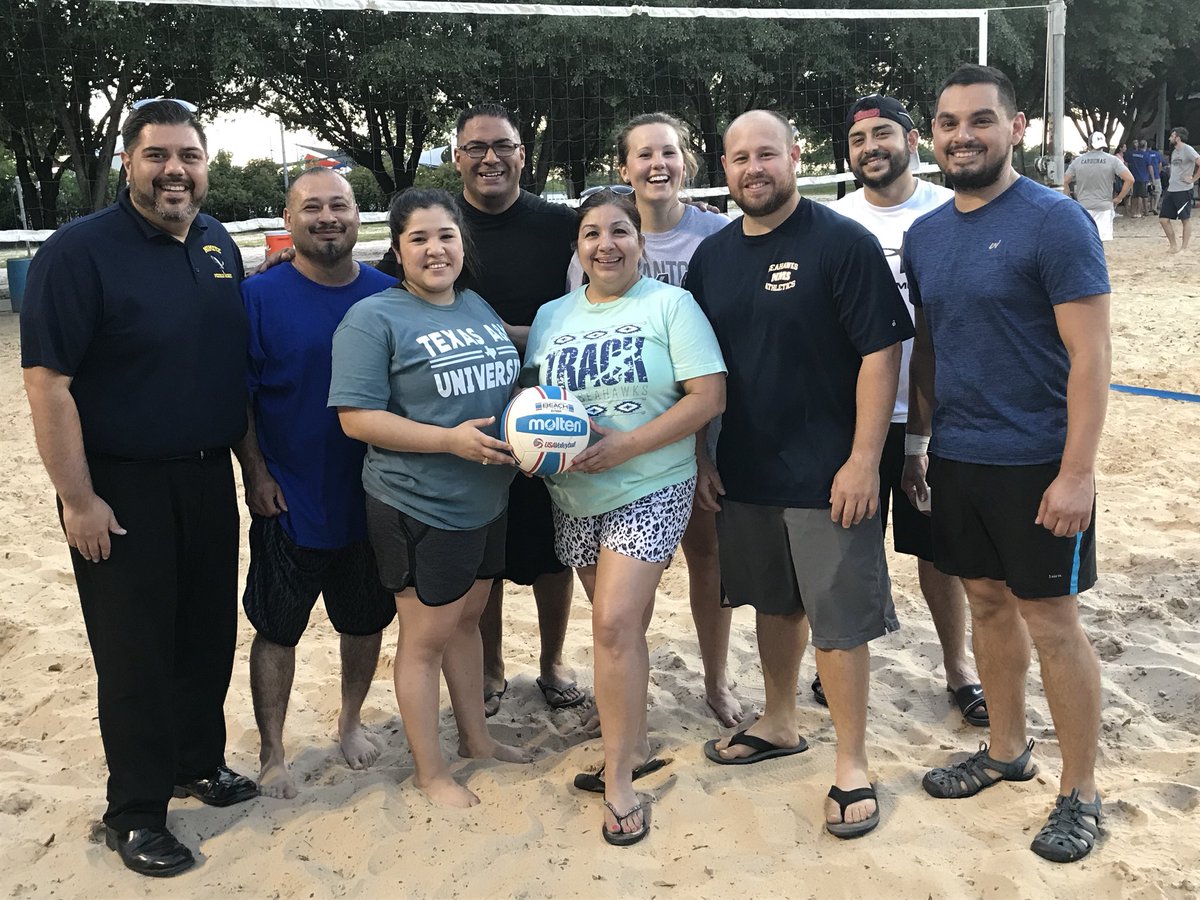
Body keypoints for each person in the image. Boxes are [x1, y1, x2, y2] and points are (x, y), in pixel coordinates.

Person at [19, 98, 257, 877]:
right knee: (136, 655)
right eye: (157, 155)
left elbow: (230, 368)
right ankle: (134, 812)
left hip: (205, 477)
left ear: (205, 163)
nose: (174, 171)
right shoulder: (77, 253)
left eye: (188, 155)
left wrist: (251, 470)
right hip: (119, 488)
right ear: (129, 162)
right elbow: (48, 385)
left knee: (204, 636)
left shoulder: (220, 241)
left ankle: (195, 761)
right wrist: (79, 500)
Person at [902, 64, 1111, 863]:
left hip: (1039, 463)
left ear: (1016, 128)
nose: (964, 136)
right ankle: (1005, 752)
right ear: (934, 136)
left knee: (1053, 622)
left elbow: (1091, 357)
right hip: (958, 456)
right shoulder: (925, 234)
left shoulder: (1054, 223)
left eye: (981, 121)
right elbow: (927, 350)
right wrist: (920, 444)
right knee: (986, 603)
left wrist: (1078, 472)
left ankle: (1080, 792)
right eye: (950, 123)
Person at [687, 110, 911, 839]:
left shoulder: (840, 243)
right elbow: (695, 371)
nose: (754, 168)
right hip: (746, 468)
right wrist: (700, 457)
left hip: (829, 471)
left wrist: (863, 460)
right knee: (773, 605)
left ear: (795, 158)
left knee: (840, 623)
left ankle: (851, 764)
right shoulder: (711, 260)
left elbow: (882, 355)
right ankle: (779, 721)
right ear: (724, 168)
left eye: (768, 155)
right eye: (740, 157)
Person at [523, 189, 726, 845]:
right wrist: (534, 445)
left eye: (619, 231)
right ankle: (630, 732)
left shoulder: (672, 304)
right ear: (577, 248)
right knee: (621, 626)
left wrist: (626, 444)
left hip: (653, 480)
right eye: (590, 233)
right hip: (575, 493)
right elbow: (535, 401)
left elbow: (708, 396)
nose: (604, 243)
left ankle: (619, 779)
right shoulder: (553, 315)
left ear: (641, 243)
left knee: (611, 622)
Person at [330, 188, 532, 809]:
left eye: (445, 235)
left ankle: (476, 739)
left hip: (487, 498)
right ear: (397, 249)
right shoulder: (373, 317)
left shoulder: (472, 303)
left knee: (468, 622)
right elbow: (356, 419)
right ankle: (430, 771)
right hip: (419, 503)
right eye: (418, 238)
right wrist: (448, 441)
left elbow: (510, 370)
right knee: (423, 641)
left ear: (461, 244)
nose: (434, 249)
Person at [382, 104, 585, 717]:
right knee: (483, 560)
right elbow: (389, 292)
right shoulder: (438, 226)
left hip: (553, 417)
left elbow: (614, 267)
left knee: (555, 553)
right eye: (475, 147)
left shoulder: (560, 225)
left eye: (503, 146)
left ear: (523, 154)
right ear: (455, 157)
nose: (489, 157)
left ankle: (551, 662)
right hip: (467, 427)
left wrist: (516, 338)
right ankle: (491, 669)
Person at [565, 112, 743, 726]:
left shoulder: (719, 236)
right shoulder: (599, 242)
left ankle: (717, 682)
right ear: (625, 168)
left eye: (668, 152)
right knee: (622, 585)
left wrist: (700, 452)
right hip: (627, 431)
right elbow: (571, 329)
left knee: (707, 552)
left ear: (686, 162)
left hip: (707, 416)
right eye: (643, 154)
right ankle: (620, 685)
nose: (656, 164)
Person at [234, 168, 398, 800]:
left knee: (363, 623)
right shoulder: (259, 299)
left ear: (359, 214)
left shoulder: (391, 293)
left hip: (375, 494)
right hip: (290, 498)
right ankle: (273, 751)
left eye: (339, 205)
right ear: (288, 219)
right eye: (312, 208)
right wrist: (255, 473)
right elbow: (241, 399)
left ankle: (350, 722)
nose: (327, 217)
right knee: (277, 629)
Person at [827, 94, 986, 727]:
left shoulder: (950, 213)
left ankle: (958, 669)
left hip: (935, 417)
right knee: (844, 552)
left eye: (883, 134)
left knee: (939, 553)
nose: (871, 147)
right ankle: (836, 664)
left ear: (912, 139)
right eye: (859, 138)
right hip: (855, 420)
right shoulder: (834, 223)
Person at [1063, 133, 1133, 241]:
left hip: (1083, 206)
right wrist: (1119, 198)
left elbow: (1065, 181)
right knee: (1100, 240)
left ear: (1089, 144)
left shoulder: (1077, 161)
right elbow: (1130, 179)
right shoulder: (1112, 160)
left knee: (1085, 239)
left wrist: (1070, 198)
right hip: (1104, 206)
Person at [1159, 126, 1200, 252]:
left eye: (1172, 136)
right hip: (1172, 189)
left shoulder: (1188, 150)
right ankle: (1173, 246)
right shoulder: (1174, 151)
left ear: (1178, 137)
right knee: (1163, 219)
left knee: (1185, 219)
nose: (1170, 138)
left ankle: (1183, 248)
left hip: (1183, 190)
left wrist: (1193, 179)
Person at [1125, 140, 1153, 218]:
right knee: (1141, 195)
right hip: (1143, 178)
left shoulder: (1132, 154)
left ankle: (1133, 212)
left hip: (1133, 177)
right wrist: (1152, 178)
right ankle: (1138, 212)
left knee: (1134, 195)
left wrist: (1127, 172)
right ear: (1145, 146)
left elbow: (1126, 162)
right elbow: (1150, 167)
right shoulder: (1146, 155)